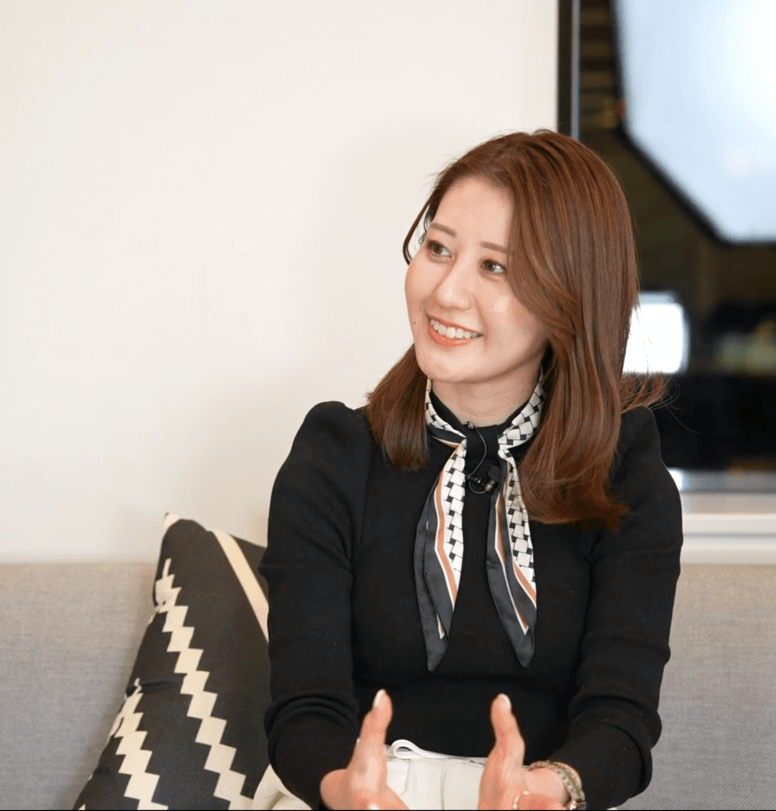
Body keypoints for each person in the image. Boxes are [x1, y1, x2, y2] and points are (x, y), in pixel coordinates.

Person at [257, 130, 684, 810]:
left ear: (570, 297)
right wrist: (345, 788)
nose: (447, 292)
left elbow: (620, 721)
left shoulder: (625, 473)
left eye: (495, 267)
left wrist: (548, 787)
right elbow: (305, 711)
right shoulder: (333, 454)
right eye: (438, 248)